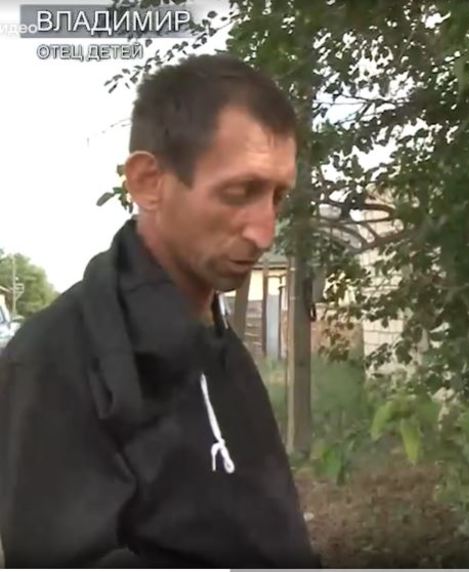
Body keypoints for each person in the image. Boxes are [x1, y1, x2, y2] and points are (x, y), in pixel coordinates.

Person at [0, 53, 318, 567]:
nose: (264, 232)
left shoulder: (221, 347)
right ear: (149, 181)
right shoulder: (56, 361)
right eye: (240, 192)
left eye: (277, 196)